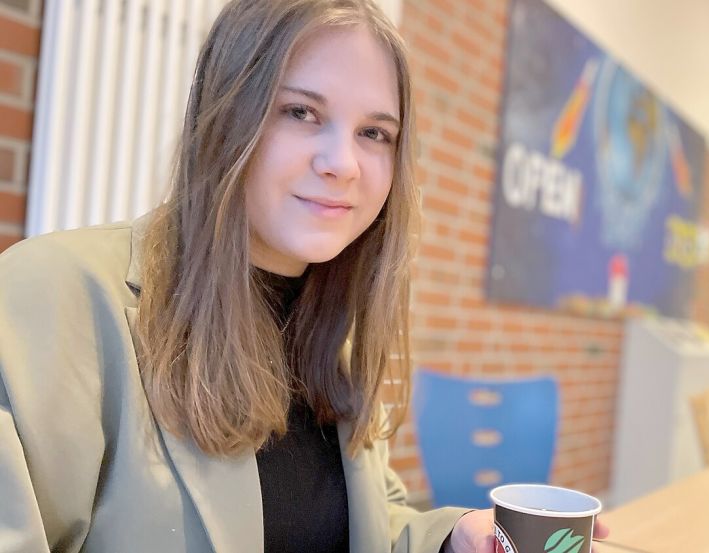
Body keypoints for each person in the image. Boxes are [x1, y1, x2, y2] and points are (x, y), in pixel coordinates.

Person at [0, 0, 607, 551]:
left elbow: (352, 525)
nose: (342, 163)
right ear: (224, 116)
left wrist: (452, 539)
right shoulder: (58, 295)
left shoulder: (326, 321)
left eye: (374, 133)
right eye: (300, 112)